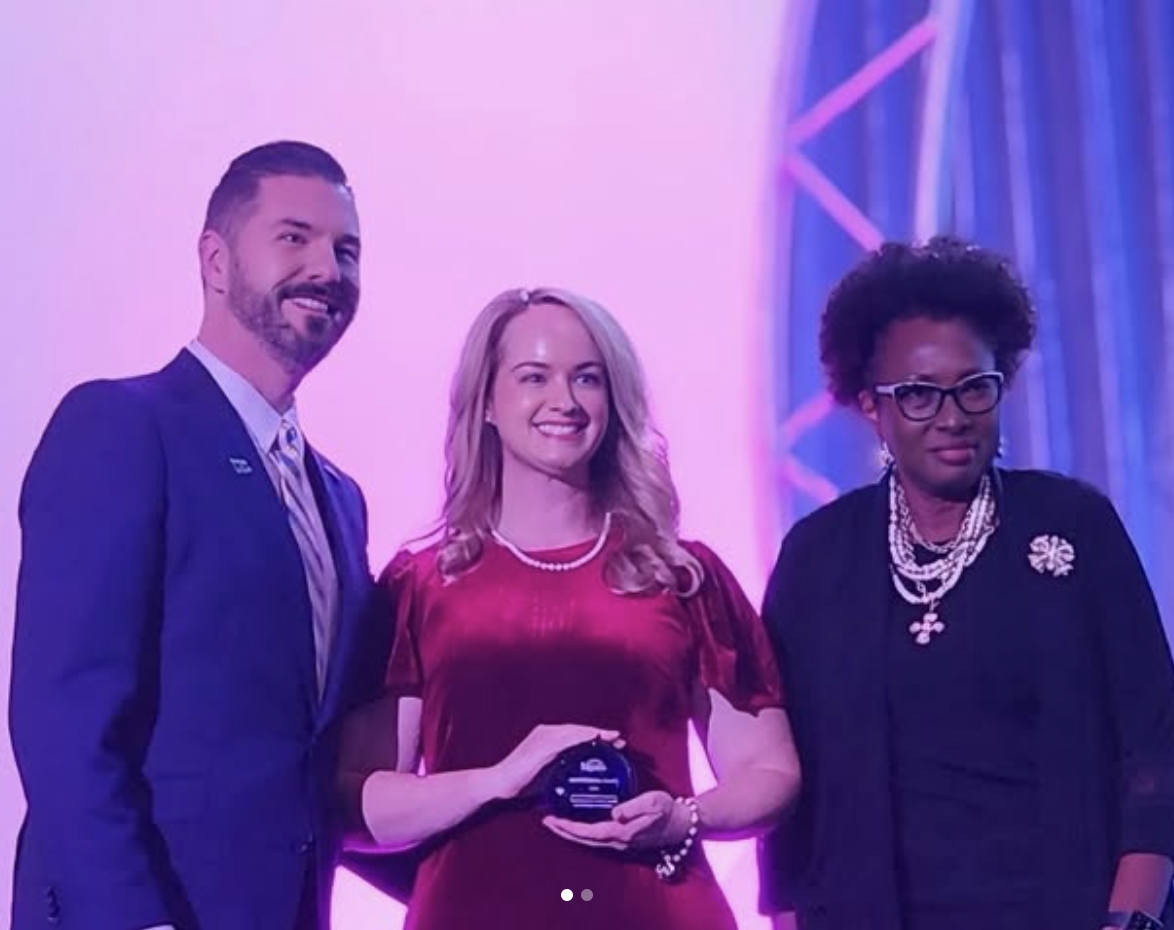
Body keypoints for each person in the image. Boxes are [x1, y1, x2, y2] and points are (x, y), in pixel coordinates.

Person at [9, 141, 401, 929]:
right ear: (215, 261)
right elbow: (64, 721)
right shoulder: (122, 427)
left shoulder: (341, 499)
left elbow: (316, 764)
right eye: (294, 237)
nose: (327, 268)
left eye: (347, 250)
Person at [337, 286, 801, 929]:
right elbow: (358, 802)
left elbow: (769, 769)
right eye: (535, 377)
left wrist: (683, 817)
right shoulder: (422, 585)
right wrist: (496, 780)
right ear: (486, 401)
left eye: (587, 378)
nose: (565, 400)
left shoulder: (681, 576)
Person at [756, 235, 1174, 930]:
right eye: (919, 395)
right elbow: (789, 785)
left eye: (974, 387)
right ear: (871, 405)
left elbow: (1156, 744)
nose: (952, 416)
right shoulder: (818, 557)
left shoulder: (1074, 524)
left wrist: (1130, 920)